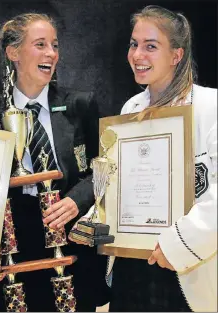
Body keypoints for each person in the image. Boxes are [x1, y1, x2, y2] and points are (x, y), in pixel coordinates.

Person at [73, 5, 217, 312]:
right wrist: (96, 218)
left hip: (183, 269)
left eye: (151, 46)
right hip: (131, 268)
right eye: (134, 44)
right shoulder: (130, 109)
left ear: (176, 55)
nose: (137, 55)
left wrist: (177, 243)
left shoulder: (211, 107)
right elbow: (118, 183)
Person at [0, 13, 111, 312]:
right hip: (17, 240)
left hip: (70, 233)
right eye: (40, 44)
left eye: (54, 46)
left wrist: (77, 200)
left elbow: (106, 165)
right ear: (13, 53)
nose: (51, 54)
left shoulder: (80, 104)